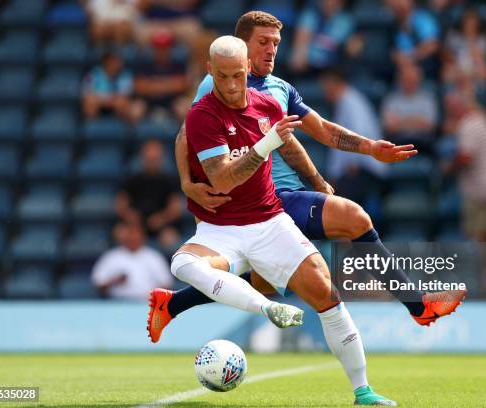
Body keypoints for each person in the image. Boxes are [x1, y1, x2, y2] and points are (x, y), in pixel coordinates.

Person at [166, 11, 465, 336]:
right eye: (263, 42)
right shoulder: (221, 81)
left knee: (267, 283)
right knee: (355, 219)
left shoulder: (280, 88)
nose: (271, 50)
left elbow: (321, 130)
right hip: (255, 203)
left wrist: (369, 149)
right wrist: (187, 184)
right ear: (241, 46)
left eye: (276, 43)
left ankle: (171, 305)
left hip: (283, 196)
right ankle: (418, 305)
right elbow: (186, 135)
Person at [150, 36, 398, 406]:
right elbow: (223, 178)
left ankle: (363, 391)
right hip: (221, 229)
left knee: (325, 293)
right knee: (183, 263)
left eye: (238, 75)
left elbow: (291, 142)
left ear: (248, 68)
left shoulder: (267, 103)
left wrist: (316, 181)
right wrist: (261, 146)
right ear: (209, 72)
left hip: (269, 223)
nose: (232, 86)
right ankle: (266, 307)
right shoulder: (202, 114)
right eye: (222, 77)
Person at [443, 91, 486, 243]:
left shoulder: (469, 125)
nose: (449, 113)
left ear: (458, 107)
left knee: (477, 234)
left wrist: (449, 167)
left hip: (480, 191)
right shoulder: (480, 120)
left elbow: (466, 156)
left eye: (450, 109)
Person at [319, 68, 387, 204]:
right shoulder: (344, 102)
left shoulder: (351, 102)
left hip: (363, 168)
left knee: (340, 207)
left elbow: (358, 134)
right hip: (356, 169)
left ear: (334, 84)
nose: (324, 90)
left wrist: (352, 164)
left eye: (326, 85)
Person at [115, 139, 184, 251]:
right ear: (142, 158)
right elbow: (121, 205)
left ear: (161, 159)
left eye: (155, 159)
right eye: (149, 159)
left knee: (170, 238)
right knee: (120, 233)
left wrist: (161, 219)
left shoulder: (170, 181)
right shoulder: (132, 179)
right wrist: (131, 217)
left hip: (161, 226)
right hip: (135, 225)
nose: (152, 162)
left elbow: (176, 208)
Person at [91, 222, 172, 299]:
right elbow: (98, 284)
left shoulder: (154, 257)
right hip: (116, 304)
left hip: (148, 304)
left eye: (136, 235)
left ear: (143, 237)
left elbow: (167, 284)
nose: (133, 238)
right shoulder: (110, 257)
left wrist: (152, 296)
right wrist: (113, 281)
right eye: (130, 235)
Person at [382, 61, 438, 154]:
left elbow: (429, 126)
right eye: (406, 80)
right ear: (400, 80)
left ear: (419, 80)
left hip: (423, 144)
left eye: (413, 80)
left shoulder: (427, 99)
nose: (410, 83)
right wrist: (416, 120)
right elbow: (389, 127)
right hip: (398, 143)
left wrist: (401, 122)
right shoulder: (391, 100)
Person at [289, 0, 355, 75]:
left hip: (332, 66)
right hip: (309, 65)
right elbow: (300, 42)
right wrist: (299, 56)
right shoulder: (309, 15)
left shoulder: (346, 20)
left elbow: (346, 47)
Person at [133, 31, 189, 120]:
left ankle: (184, 134)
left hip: (172, 100)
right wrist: (169, 85)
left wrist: (152, 85)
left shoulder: (178, 65)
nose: (162, 51)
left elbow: (181, 86)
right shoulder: (145, 64)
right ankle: (134, 134)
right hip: (148, 101)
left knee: (183, 110)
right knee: (135, 111)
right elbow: (140, 87)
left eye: (165, 48)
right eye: (159, 48)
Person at [82, 51, 144, 123]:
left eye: (118, 61)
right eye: (114, 61)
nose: (117, 64)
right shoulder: (93, 74)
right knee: (90, 102)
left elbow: (126, 95)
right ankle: (92, 128)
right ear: (106, 62)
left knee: (124, 103)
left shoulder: (125, 75)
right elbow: (87, 92)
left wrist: (111, 99)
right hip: (99, 103)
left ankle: (122, 129)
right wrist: (106, 99)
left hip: (118, 105)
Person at [385, 0, 440, 77]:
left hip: (424, 65)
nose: (399, 4)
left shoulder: (423, 19)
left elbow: (432, 45)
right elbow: (392, 50)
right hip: (401, 68)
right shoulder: (392, 24)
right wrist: (399, 58)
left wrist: (411, 58)